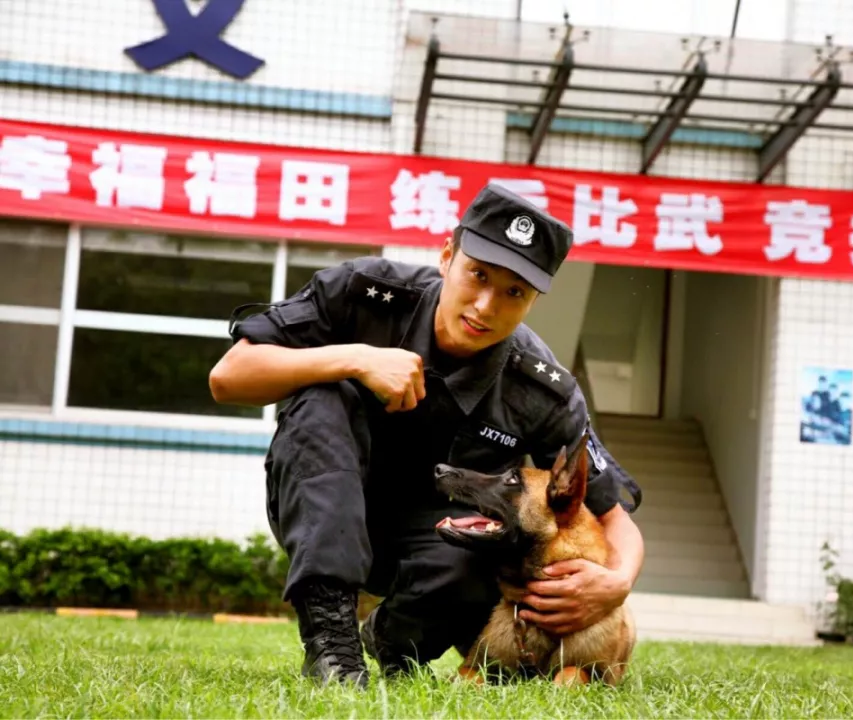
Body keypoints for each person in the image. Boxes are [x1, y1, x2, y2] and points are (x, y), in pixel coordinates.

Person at [208, 183, 644, 689]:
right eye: (478, 275)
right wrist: (355, 358)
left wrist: (616, 582)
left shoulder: (542, 389)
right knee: (324, 397)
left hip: (436, 541)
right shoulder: (365, 292)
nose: (485, 305)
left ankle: (391, 638)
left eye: (514, 293)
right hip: (322, 505)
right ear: (446, 256)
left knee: (488, 549)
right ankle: (333, 647)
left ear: (533, 301)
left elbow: (615, 518)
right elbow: (228, 378)